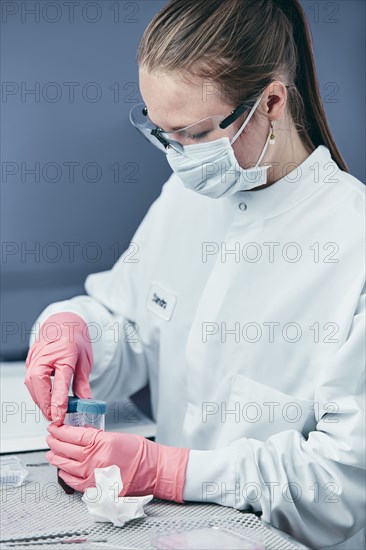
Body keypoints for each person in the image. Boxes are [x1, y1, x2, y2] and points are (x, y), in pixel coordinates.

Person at [24, 1, 365, 548]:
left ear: (271, 102)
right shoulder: (188, 200)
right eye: (162, 133)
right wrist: (75, 330)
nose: (177, 158)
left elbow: (340, 486)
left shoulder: (354, 245)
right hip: (169, 533)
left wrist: (169, 471)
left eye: (193, 133)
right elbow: (130, 319)